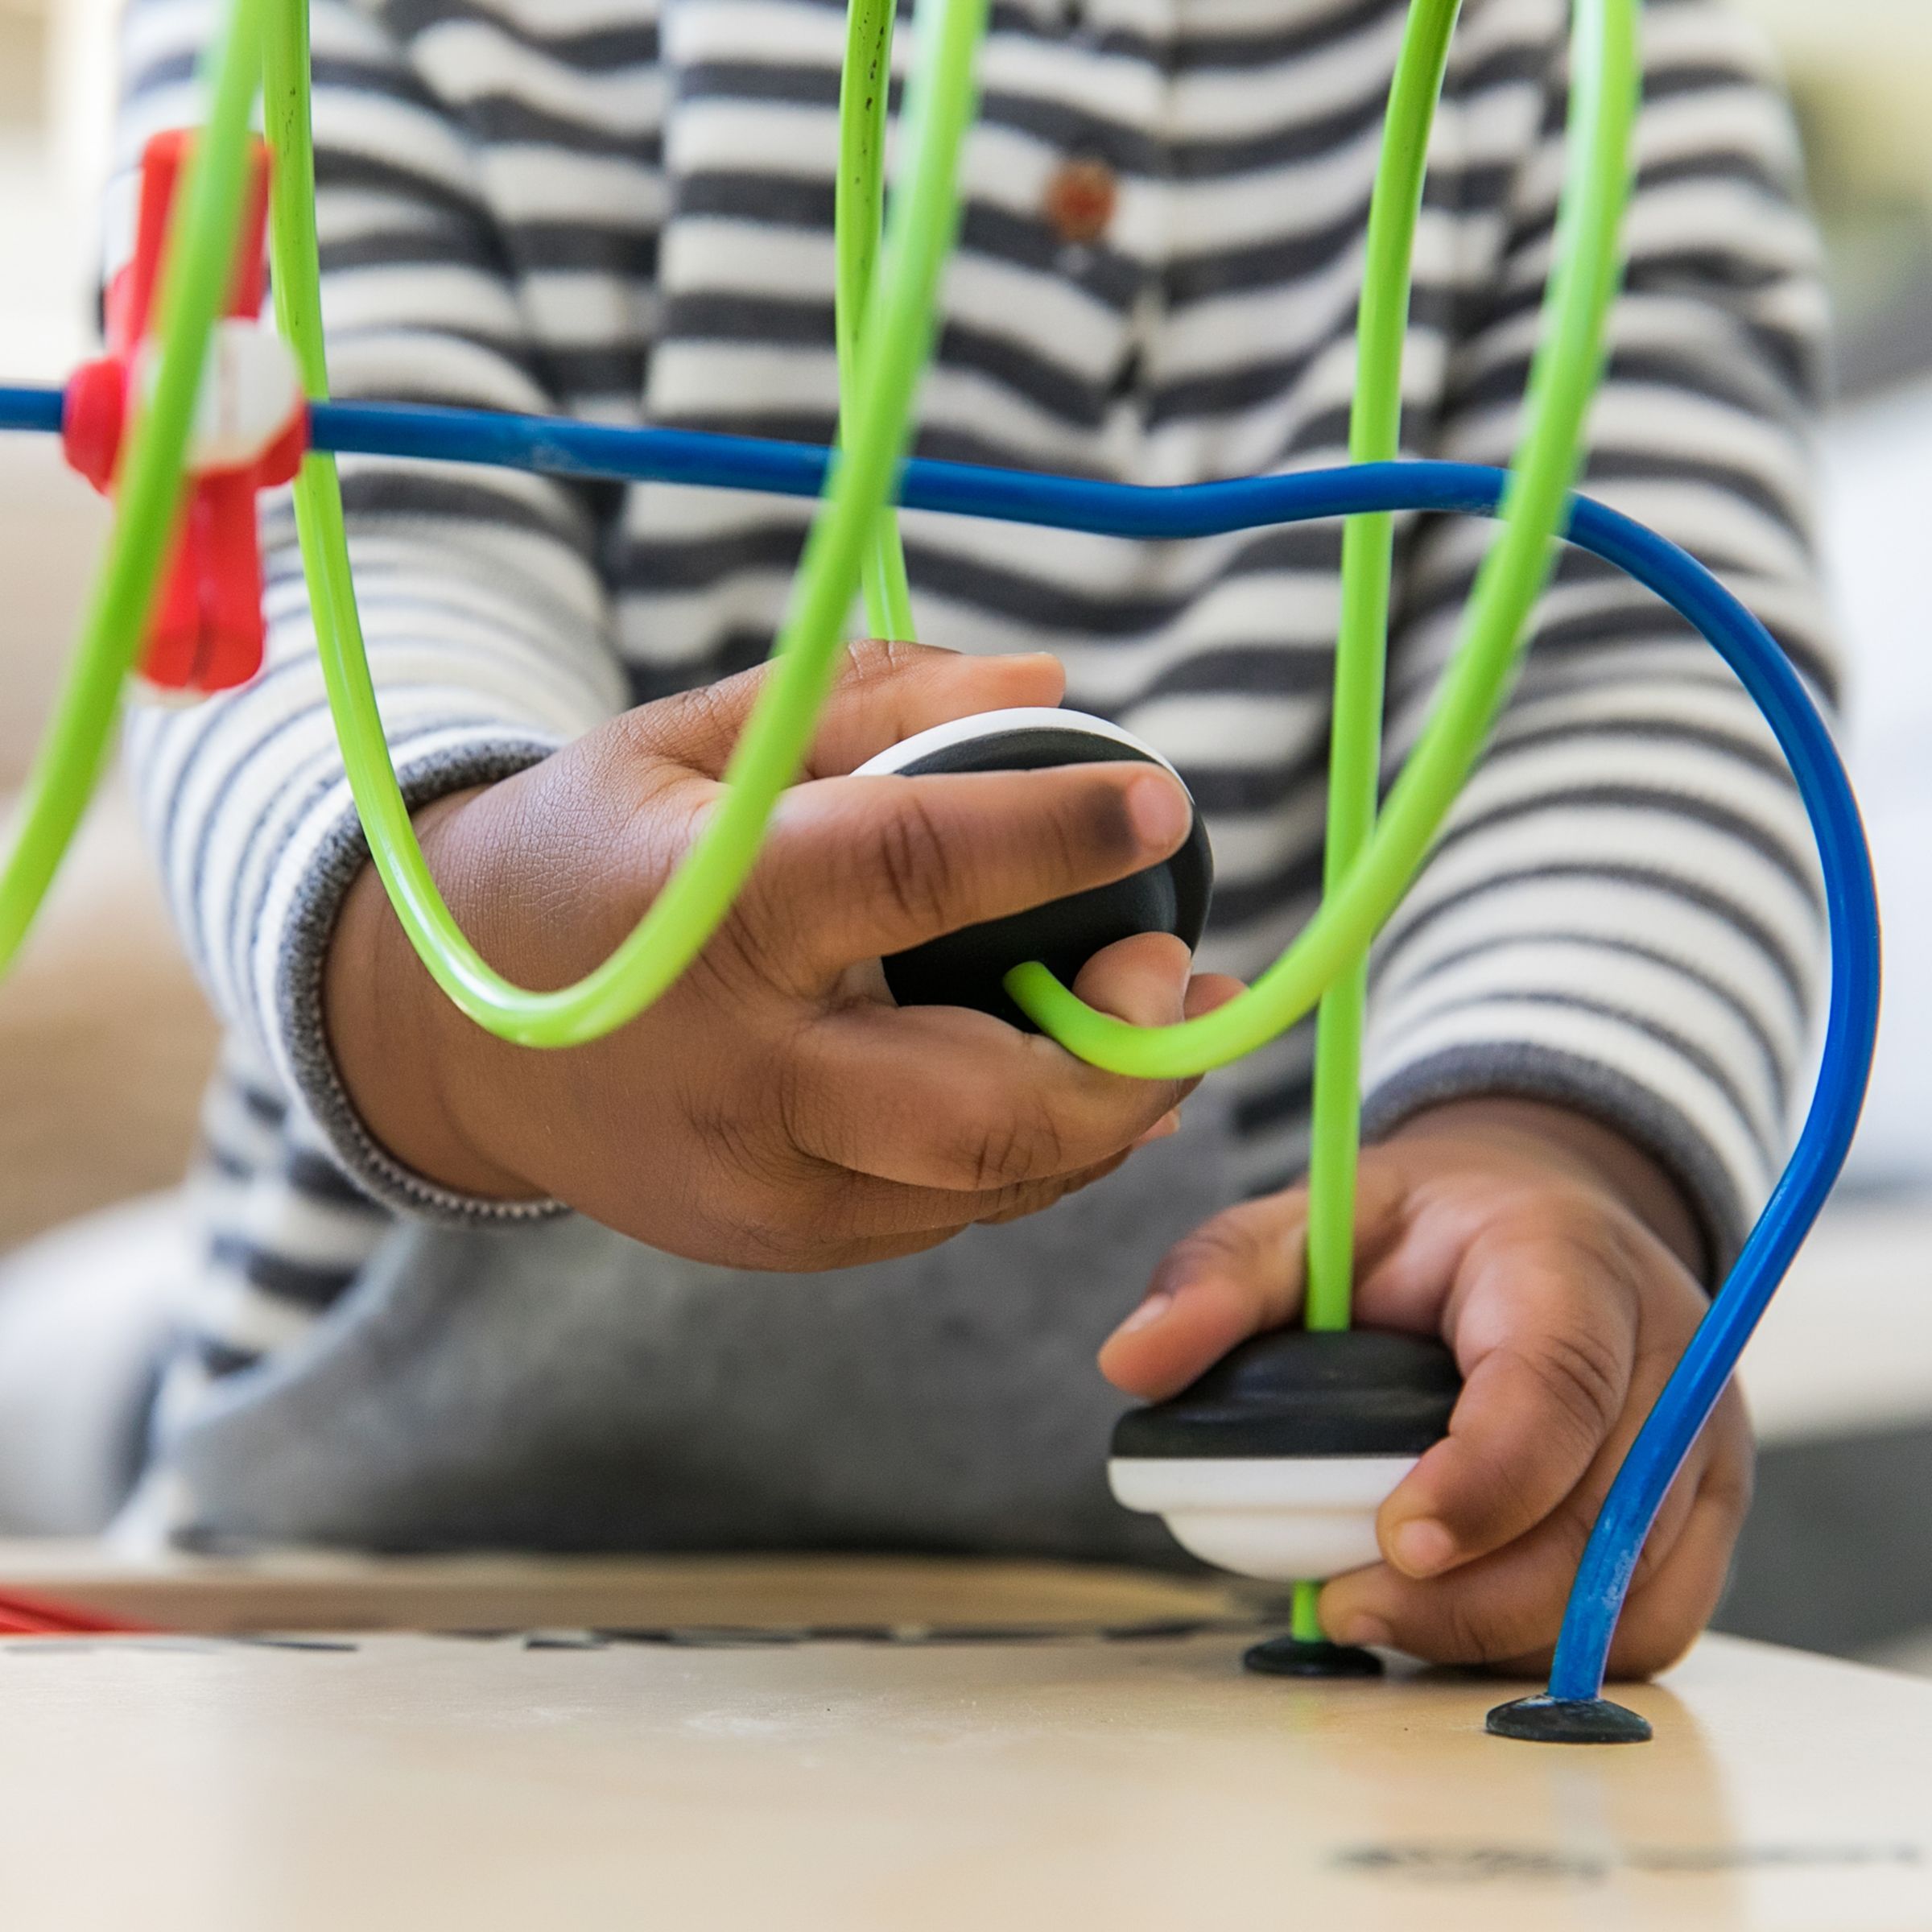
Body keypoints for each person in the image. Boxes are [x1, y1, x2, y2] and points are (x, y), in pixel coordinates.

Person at [19, 0, 1829, 1674]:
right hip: (372, 1601)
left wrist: (1554, 1151)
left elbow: (1640, 682)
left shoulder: (1594, 45)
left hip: (1241, 1628)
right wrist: (496, 973)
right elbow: (295, 582)